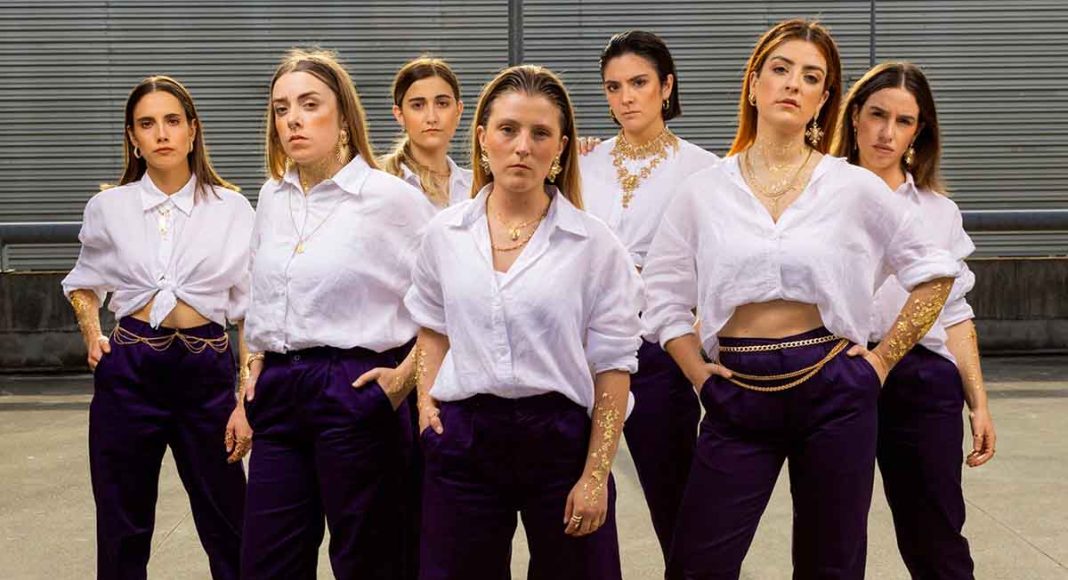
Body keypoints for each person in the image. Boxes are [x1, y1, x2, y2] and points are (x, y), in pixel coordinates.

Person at [641, 19, 963, 579]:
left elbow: (935, 273)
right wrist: (696, 372)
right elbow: (663, 295)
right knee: (697, 564)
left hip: (835, 387)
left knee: (830, 565)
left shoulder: (852, 186)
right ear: (753, 84)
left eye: (811, 77)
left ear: (824, 99)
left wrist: (881, 362)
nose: (794, 83)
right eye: (781, 69)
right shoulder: (704, 191)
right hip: (736, 390)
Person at [397, 64, 643, 579]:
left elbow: (613, 366)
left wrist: (596, 474)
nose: (523, 147)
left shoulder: (595, 245)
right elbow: (433, 326)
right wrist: (425, 406)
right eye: (508, 130)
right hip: (463, 440)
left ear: (561, 148)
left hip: (561, 442)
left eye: (540, 133)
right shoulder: (444, 234)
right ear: (482, 138)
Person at [239, 48, 434, 579]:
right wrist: (250, 374)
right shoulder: (272, 197)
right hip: (278, 393)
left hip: (354, 386)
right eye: (281, 109)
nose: (293, 120)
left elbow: (450, 301)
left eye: (309, 105)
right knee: (266, 562)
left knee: (369, 562)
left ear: (344, 116)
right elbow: (258, 299)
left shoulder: (391, 199)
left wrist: (402, 380)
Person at [62, 75, 252, 580]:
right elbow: (85, 284)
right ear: (133, 138)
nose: (161, 133)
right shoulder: (109, 207)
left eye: (172, 121)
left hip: (207, 373)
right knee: (121, 527)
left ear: (193, 130)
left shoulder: (232, 208)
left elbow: (250, 311)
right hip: (130, 370)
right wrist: (91, 334)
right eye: (147, 124)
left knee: (230, 522)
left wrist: (244, 398)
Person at [832, 61, 996, 579]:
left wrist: (978, 403)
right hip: (837, 370)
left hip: (922, 380)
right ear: (854, 115)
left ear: (918, 131)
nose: (887, 132)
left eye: (903, 121)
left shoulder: (938, 211)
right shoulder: (818, 194)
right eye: (877, 114)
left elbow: (956, 315)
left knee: (936, 537)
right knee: (833, 535)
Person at [578, 29, 717, 563]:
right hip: (582, 352)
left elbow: (717, 266)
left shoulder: (704, 170)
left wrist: (698, 340)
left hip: (658, 352)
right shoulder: (582, 163)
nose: (625, 98)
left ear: (667, 86)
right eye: (613, 87)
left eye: (638, 83)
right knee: (578, 499)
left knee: (676, 501)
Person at [380, 56, 473, 207]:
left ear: (458, 110)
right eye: (418, 105)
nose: (432, 118)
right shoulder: (380, 185)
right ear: (399, 114)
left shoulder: (478, 187)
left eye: (442, 104)